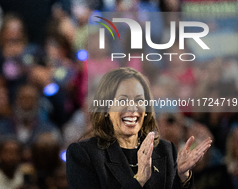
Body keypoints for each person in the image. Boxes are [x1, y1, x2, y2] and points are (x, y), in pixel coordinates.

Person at [66, 67, 212, 189]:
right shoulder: (83, 155)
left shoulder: (166, 150)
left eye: (139, 100)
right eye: (123, 99)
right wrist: (139, 180)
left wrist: (181, 177)